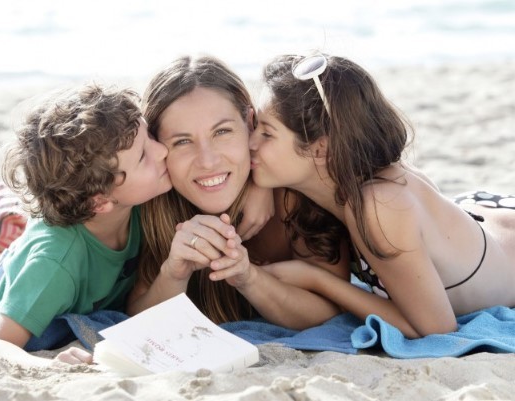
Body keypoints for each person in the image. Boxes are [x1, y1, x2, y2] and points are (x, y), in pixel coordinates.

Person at [249, 51, 515, 338]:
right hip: (479, 223)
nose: (251, 142)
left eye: (266, 134)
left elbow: (436, 328)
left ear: (320, 148)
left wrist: (319, 281)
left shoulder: (377, 206)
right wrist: (258, 189)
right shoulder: (355, 172)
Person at [127, 55, 350, 330]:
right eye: (182, 141)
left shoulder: (292, 193)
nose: (207, 161)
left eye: (221, 132)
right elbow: (136, 317)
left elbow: (332, 310)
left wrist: (249, 278)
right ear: (157, 147)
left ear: (250, 123)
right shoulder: (155, 203)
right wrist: (173, 273)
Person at [0, 83, 172, 367]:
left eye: (150, 136)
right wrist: (52, 365)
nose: (163, 150)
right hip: (28, 273)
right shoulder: (55, 263)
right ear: (99, 201)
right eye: (143, 156)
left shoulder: (138, 203)